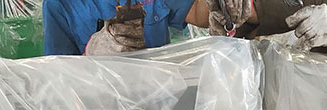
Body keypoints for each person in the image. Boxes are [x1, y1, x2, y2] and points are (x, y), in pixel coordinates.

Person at [43, 0, 212, 56]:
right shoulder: (58, 5)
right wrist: (93, 54)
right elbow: (58, 79)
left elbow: (198, 14)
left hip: (157, 100)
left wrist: (215, 5)